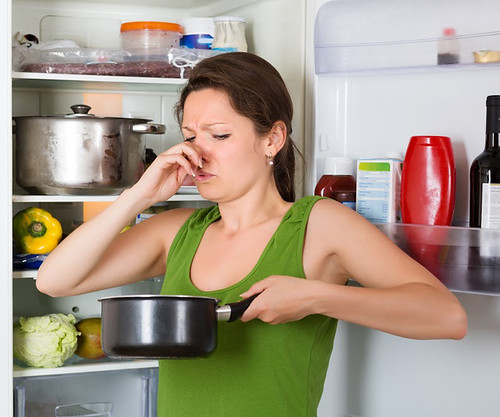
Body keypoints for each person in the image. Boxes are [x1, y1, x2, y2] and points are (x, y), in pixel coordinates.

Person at [36, 52, 467, 417]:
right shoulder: (177, 231)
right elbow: (54, 280)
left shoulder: (319, 225)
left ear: (272, 139)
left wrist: (316, 297)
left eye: (219, 135)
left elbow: (447, 317)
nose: (198, 153)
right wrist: (137, 196)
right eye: (189, 136)